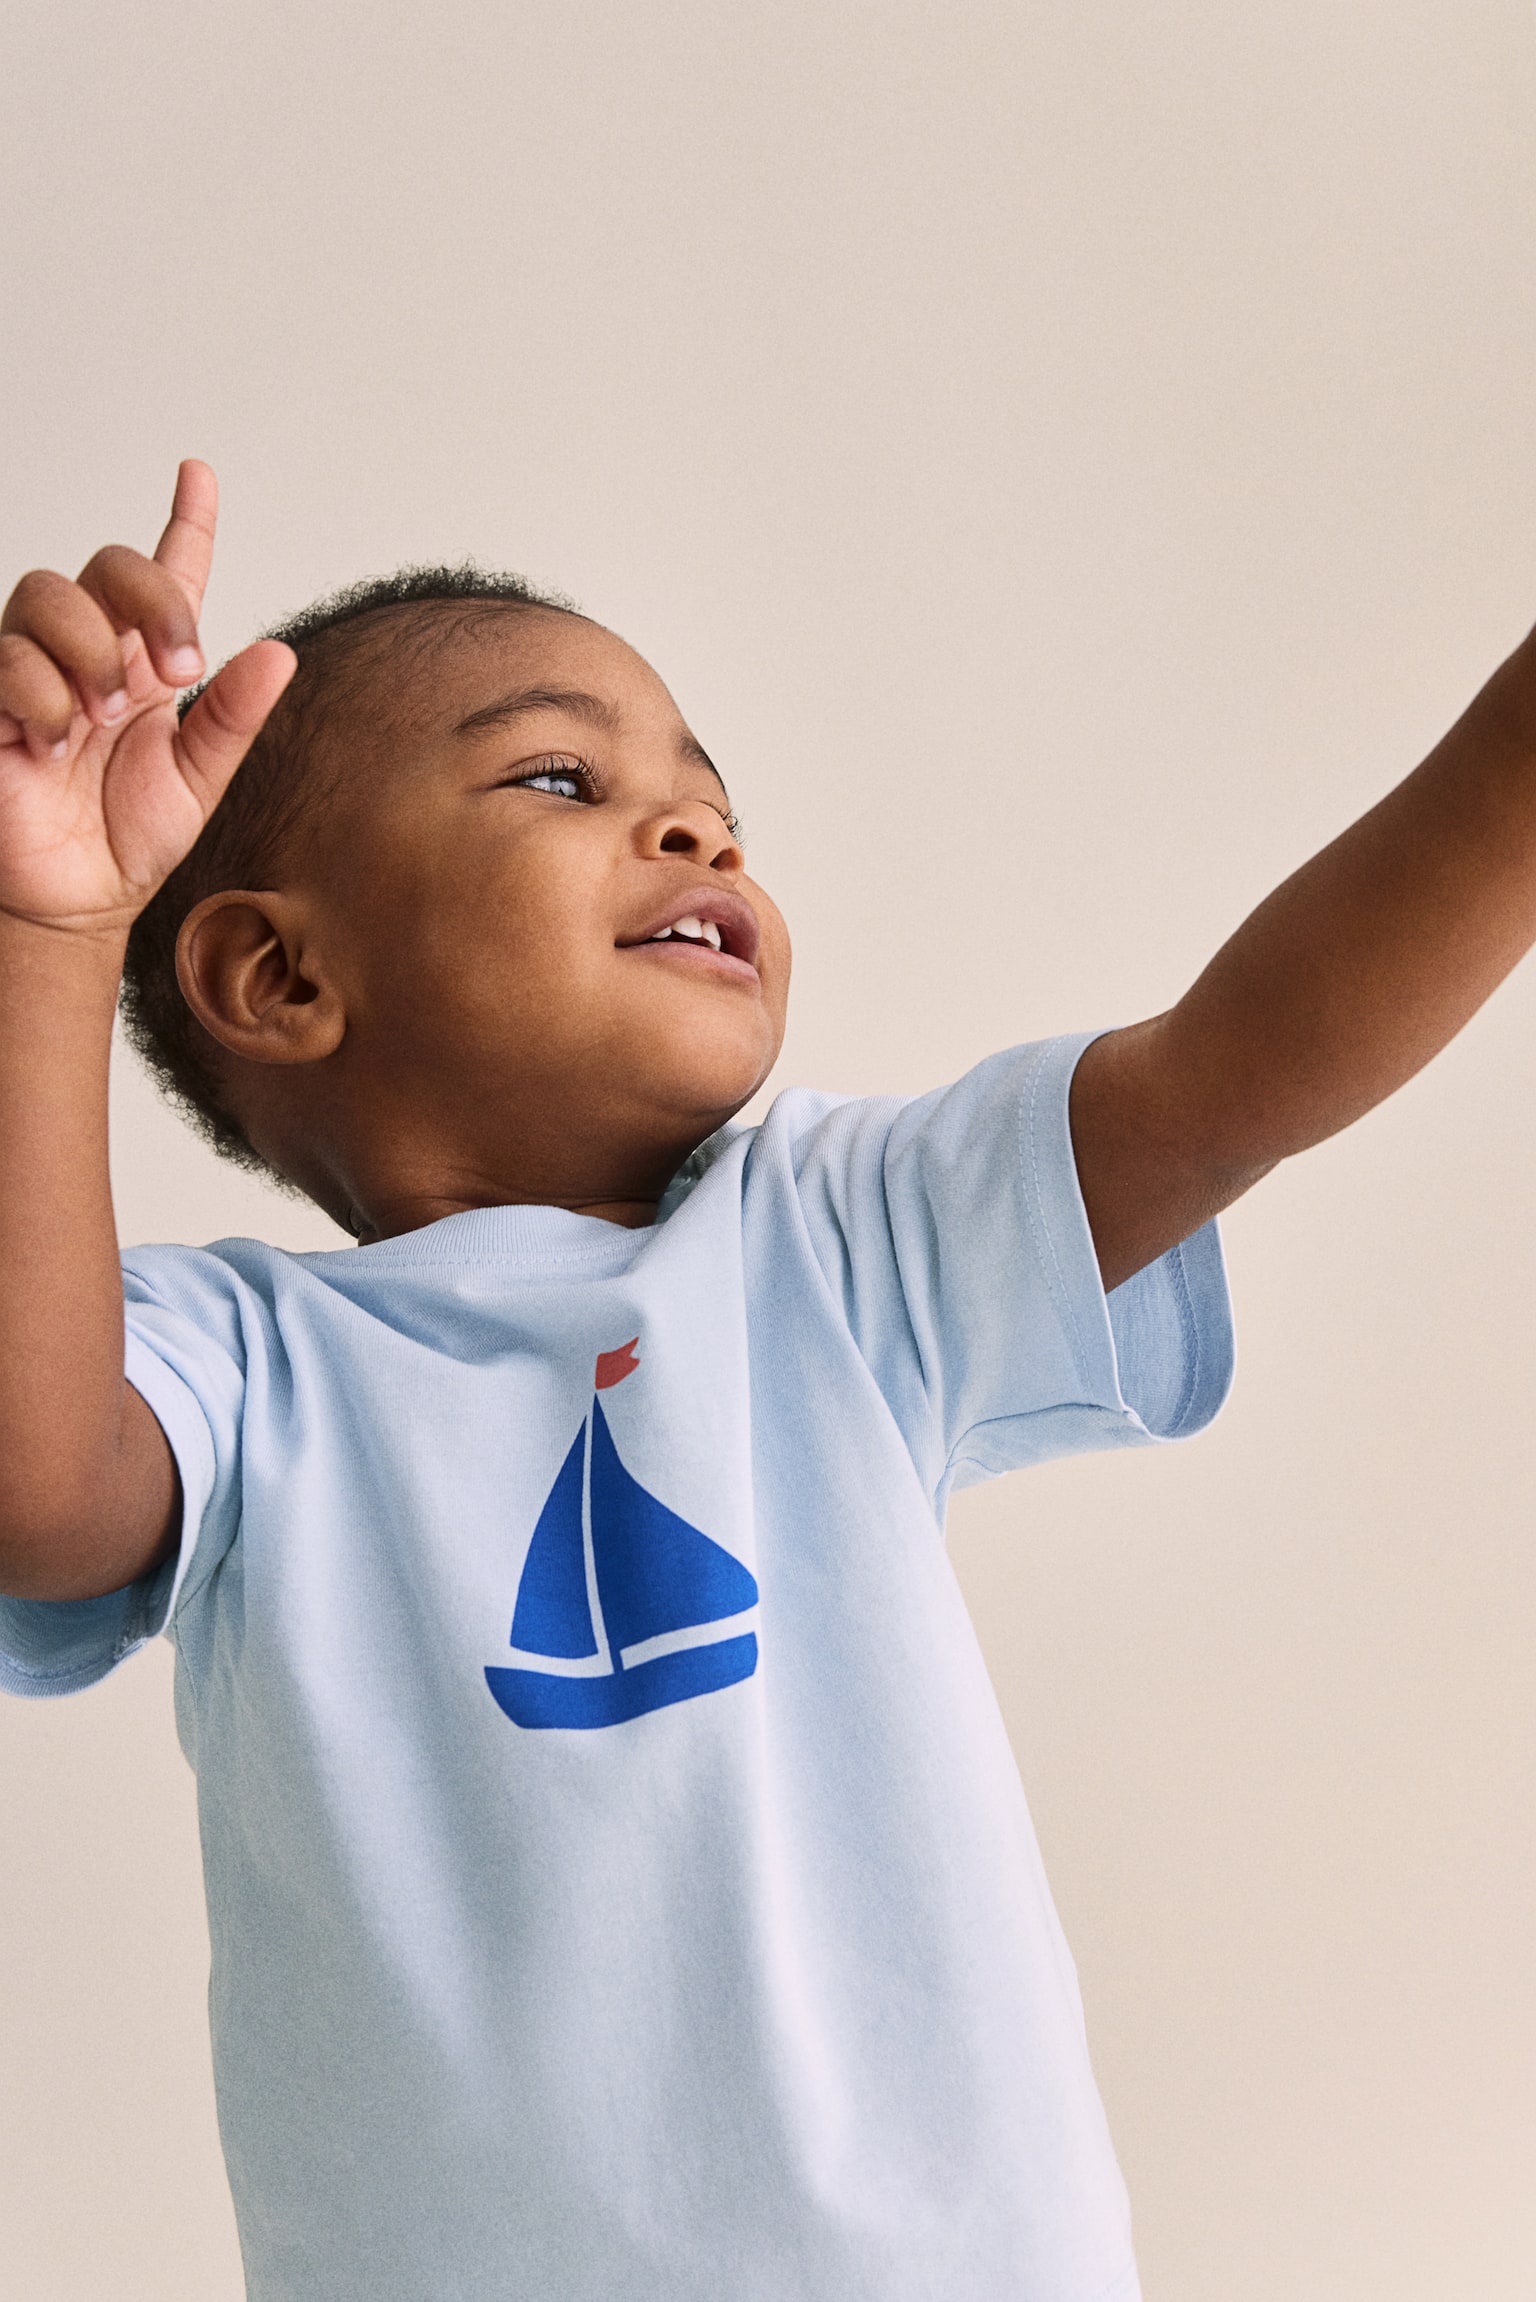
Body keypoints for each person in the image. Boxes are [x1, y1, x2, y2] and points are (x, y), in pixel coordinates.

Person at [0, 460, 1531, 2302]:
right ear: (276, 972)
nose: (697, 837)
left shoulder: (835, 1235)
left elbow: (1240, 1068)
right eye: (564, 778)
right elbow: (37, 1482)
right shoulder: (240, 1361)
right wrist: (48, 934)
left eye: (715, 808)